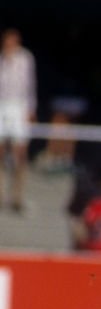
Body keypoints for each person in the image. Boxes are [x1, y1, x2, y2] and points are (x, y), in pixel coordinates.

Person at [0, 28, 35, 214]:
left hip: (19, 106)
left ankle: (17, 195)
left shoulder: (25, 59)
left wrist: (30, 109)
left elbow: (30, 85)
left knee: (20, 153)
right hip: (2, 106)